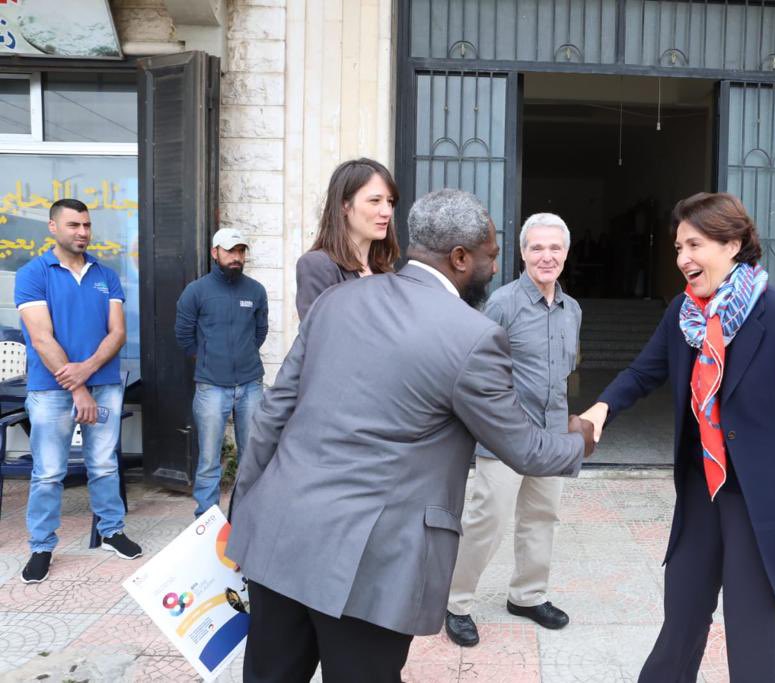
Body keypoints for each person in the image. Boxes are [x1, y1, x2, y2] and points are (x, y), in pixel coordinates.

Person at [225, 189, 596, 682]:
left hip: (278, 532)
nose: (492, 269)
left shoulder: (337, 299)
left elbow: (273, 413)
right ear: (460, 258)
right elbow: (525, 448)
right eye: (490, 257)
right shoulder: (473, 336)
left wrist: (244, 510)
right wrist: (582, 436)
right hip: (370, 565)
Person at [580, 193, 775, 682]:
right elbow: (643, 371)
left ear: (733, 243)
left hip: (761, 502)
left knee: (754, 635)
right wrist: (601, 408)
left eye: (694, 245)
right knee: (682, 615)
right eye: (678, 247)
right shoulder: (683, 314)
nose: (682, 259)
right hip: (703, 491)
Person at [445, 213, 582, 647]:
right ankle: (455, 602)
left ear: (566, 253)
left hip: (551, 435)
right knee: (487, 520)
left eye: (555, 248)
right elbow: (478, 369)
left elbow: (566, 372)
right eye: (537, 248)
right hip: (504, 436)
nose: (547, 256)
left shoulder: (572, 309)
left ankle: (527, 595)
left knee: (542, 518)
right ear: (522, 254)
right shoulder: (502, 303)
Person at [15, 199, 142, 584]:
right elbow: (40, 337)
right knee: (49, 472)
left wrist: (87, 372)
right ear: (53, 227)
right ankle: (41, 546)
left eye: (86, 225)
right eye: (73, 225)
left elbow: (117, 333)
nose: (83, 232)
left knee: (103, 464)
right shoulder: (33, 273)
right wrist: (79, 388)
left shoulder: (107, 275)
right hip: (51, 390)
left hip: (102, 386)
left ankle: (111, 531)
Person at [174, 228, 268, 517]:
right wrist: (208, 360)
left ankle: (248, 514)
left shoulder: (255, 290)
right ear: (215, 253)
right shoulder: (196, 291)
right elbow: (183, 334)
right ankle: (207, 516)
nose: (236, 257)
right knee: (209, 458)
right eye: (230, 251)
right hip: (211, 387)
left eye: (240, 251)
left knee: (252, 456)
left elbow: (260, 331)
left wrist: (242, 356)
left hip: (251, 385)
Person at [295, 158, 400, 320]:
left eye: (390, 201)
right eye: (375, 201)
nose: (387, 211)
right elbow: (320, 335)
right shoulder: (318, 265)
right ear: (344, 205)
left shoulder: (386, 272)